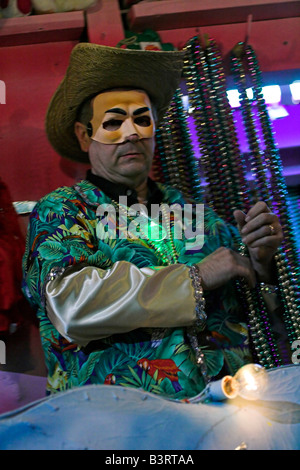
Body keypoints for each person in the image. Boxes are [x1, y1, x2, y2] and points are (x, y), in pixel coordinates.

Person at [22, 43, 284, 398]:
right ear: (84, 136)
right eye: (114, 122)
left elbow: (258, 318)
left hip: (227, 416)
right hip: (119, 426)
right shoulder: (64, 211)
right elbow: (71, 307)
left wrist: (261, 263)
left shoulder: (198, 215)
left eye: (142, 120)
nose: (132, 133)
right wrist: (198, 276)